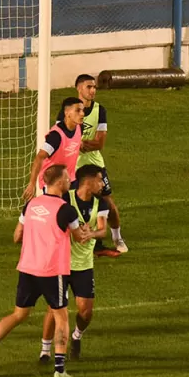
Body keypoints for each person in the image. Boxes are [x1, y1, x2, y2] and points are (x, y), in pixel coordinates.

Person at [0, 164, 92, 377]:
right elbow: (79, 238)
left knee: (19, 314)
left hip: (27, 268)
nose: (70, 180)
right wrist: (87, 232)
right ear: (58, 182)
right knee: (61, 316)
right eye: (68, 177)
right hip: (51, 271)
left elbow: (16, 236)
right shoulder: (66, 210)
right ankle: (59, 370)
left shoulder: (31, 205)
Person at [41, 164, 109, 362]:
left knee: (85, 311)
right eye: (99, 179)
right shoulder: (65, 198)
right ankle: (45, 351)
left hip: (84, 264)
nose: (102, 184)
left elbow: (103, 230)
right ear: (87, 181)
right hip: (62, 263)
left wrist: (92, 233)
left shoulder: (100, 203)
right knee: (53, 308)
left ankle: (77, 336)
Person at [65, 74, 128, 257]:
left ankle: (117, 237)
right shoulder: (67, 109)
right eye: (88, 87)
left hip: (94, 164)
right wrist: (78, 143)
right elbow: (65, 138)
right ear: (78, 88)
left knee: (108, 202)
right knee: (74, 204)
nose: (92, 91)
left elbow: (99, 143)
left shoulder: (100, 111)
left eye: (94, 87)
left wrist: (79, 143)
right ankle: (86, 241)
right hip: (73, 166)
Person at [23, 97, 84, 202]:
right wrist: (32, 183)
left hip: (70, 178)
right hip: (53, 181)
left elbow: (75, 141)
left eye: (83, 110)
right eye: (78, 110)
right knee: (56, 212)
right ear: (67, 113)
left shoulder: (79, 127)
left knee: (72, 213)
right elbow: (40, 157)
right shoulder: (55, 136)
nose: (82, 113)